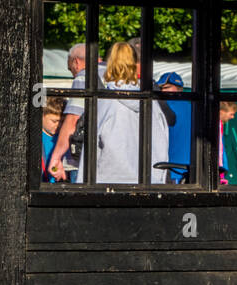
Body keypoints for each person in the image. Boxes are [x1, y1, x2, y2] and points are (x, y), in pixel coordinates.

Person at [94, 42, 169, 184]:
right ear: (135, 64)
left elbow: (92, 147)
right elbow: (162, 141)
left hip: (109, 180)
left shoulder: (104, 101)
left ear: (109, 64)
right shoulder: (151, 102)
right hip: (148, 180)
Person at [48, 43, 90, 182]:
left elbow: (73, 119)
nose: (73, 74)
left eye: (70, 69)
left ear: (76, 62)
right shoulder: (113, 75)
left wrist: (56, 157)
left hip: (82, 161)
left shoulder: (83, 78)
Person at [156, 72, 192, 182]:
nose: (163, 91)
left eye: (167, 87)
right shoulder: (193, 106)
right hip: (190, 170)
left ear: (178, 88)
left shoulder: (161, 106)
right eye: (160, 88)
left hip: (168, 170)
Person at [40, 96, 66, 184]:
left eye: (62, 121)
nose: (58, 125)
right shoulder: (35, 137)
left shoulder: (65, 138)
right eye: (54, 121)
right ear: (42, 116)